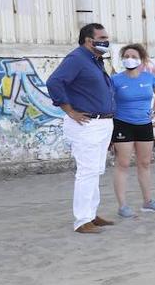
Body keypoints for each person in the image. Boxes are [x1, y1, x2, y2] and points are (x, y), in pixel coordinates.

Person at [46, 23, 117, 234]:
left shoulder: (96, 61)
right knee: (87, 172)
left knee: (96, 170)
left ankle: (91, 214)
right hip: (86, 124)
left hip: (102, 123)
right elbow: (54, 82)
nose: (106, 40)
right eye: (102, 37)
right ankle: (82, 221)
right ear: (88, 39)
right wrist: (69, 111)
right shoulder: (76, 59)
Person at [111, 44, 155, 217]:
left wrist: (154, 111)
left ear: (141, 59)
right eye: (126, 56)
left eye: (133, 56)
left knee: (144, 163)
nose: (129, 59)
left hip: (144, 125)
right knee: (123, 164)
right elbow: (107, 101)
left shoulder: (149, 78)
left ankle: (148, 202)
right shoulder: (116, 80)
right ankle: (123, 206)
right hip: (122, 124)